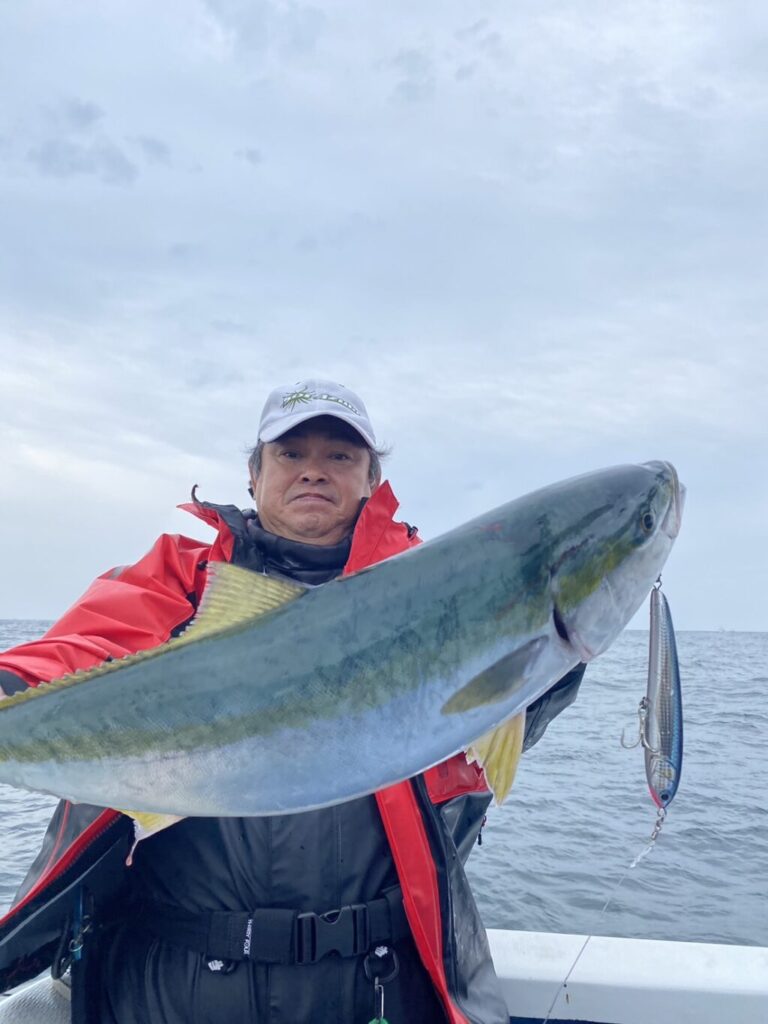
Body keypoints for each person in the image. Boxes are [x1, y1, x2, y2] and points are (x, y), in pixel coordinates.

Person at [0, 379, 585, 1024]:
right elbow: (76, 652)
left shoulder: (441, 592)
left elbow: (482, 728)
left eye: (339, 455)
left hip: (376, 982)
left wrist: (546, 651)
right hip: (175, 983)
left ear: (371, 479)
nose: (313, 470)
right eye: (290, 453)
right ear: (254, 476)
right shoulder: (181, 581)